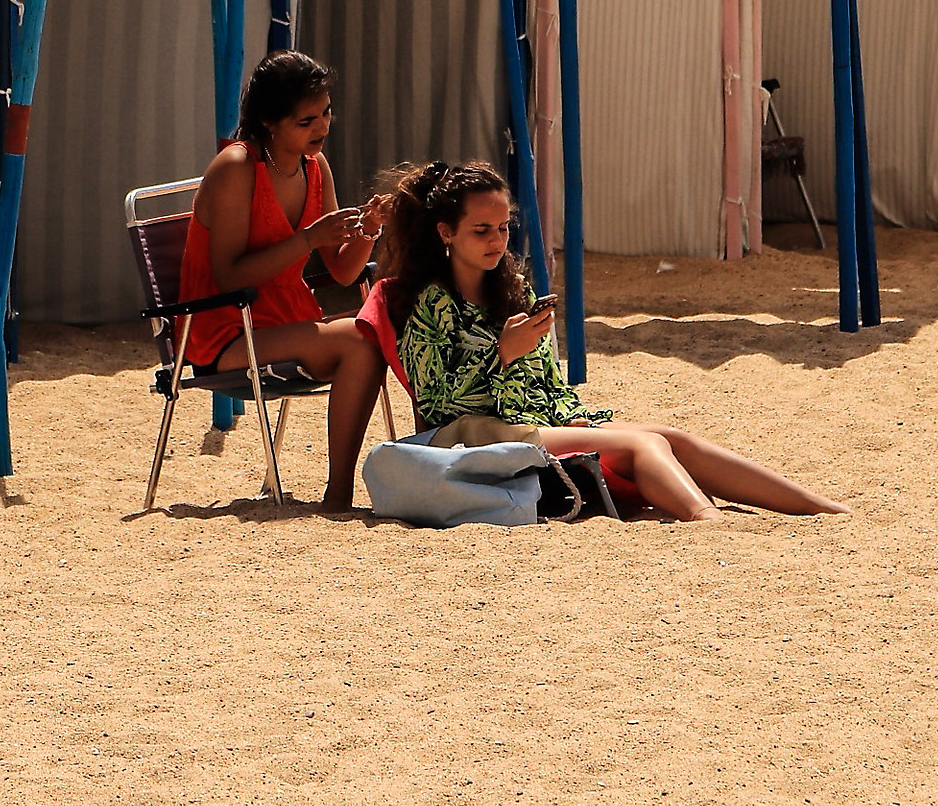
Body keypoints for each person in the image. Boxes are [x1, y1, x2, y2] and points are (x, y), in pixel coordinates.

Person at [364, 159, 848, 521]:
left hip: (535, 421)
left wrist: (572, 416)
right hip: (474, 433)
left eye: (504, 228)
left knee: (671, 437)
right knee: (643, 447)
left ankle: (816, 508)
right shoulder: (432, 304)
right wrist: (498, 357)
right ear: (446, 233)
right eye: (482, 230)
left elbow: (546, 381)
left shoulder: (513, 291)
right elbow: (435, 405)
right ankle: (707, 520)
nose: (497, 240)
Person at [177, 51, 388, 510]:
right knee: (361, 338)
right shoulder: (236, 168)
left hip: (283, 320)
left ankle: (355, 485)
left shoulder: (315, 166)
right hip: (224, 331)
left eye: (327, 112)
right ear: (271, 122)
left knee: (378, 330)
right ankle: (339, 493)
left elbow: (342, 271)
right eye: (306, 120)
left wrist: (368, 230)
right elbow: (227, 275)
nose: (322, 127)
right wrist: (308, 239)